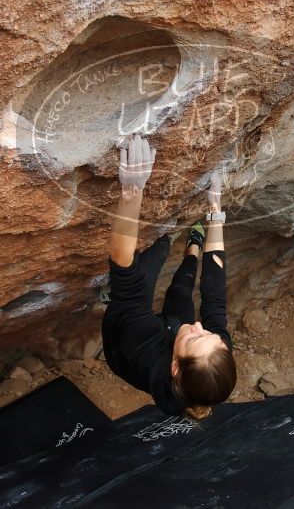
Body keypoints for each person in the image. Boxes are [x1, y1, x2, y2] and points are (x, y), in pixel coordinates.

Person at [101, 134, 236, 421]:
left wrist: (132, 191)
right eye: (210, 335)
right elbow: (215, 293)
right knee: (181, 295)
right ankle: (193, 246)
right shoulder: (212, 355)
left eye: (196, 338)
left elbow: (123, 263)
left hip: (121, 345)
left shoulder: (141, 343)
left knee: (159, 247)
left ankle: (110, 296)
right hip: (171, 338)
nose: (200, 326)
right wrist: (214, 211)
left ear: (175, 367)